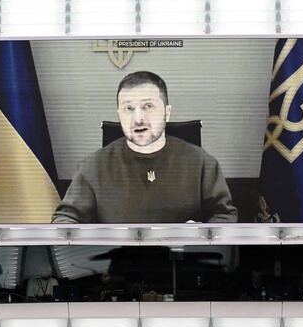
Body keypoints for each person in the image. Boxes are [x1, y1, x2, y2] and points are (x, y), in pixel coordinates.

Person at [52, 71, 237, 224]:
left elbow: (225, 215)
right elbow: (66, 218)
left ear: (167, 112)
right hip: (115, 263)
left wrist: (200, 234)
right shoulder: (92, 167)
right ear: (119, 115)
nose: (138, 118)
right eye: (129, 108)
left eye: (148, 106)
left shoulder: (201, 162)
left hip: (182, 262)